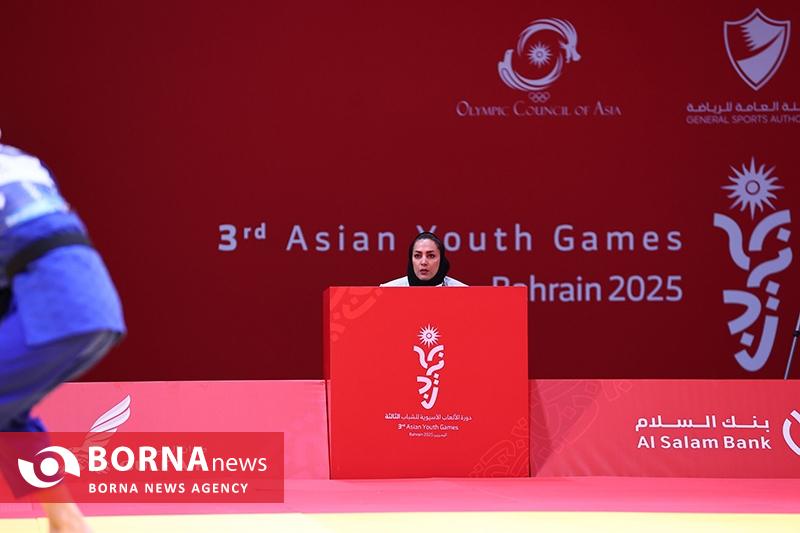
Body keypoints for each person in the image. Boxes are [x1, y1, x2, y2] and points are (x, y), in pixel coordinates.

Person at [0, 134, 125, 533]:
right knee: (9, 418)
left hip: (54, 305)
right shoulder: (21, 162)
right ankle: (67, 522)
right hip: (94, 300)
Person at [381, 232, 467, 287]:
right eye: (417, 256)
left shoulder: (463, 292)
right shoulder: (388, 291)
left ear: (441, 260)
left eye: (431, 256)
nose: (423, 262)